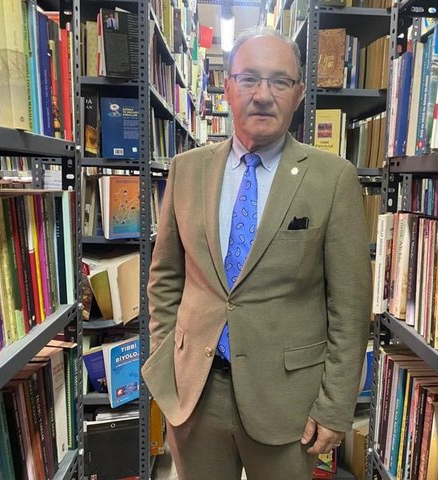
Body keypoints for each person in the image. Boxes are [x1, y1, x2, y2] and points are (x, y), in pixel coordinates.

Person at [141, 27, 371, 480]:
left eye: (279, 81)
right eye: (248, 78)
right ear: (227, 88)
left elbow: (350, 306)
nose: (263, 95)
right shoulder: (186, 170)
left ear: (299, 94)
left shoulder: (332, 178)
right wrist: (167, 367)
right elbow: (165, 278)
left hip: (288, 401)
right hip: (195, 393)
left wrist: (335, 406)